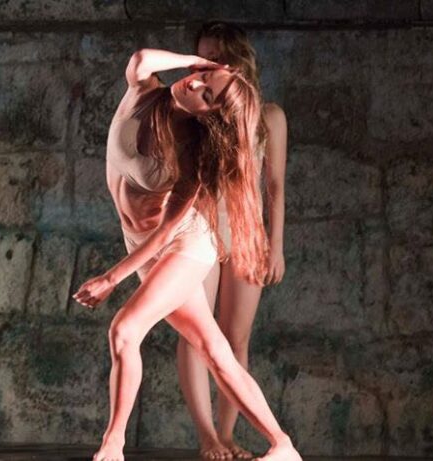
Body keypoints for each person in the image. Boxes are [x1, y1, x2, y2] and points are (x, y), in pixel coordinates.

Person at [73, 48, 300, 461]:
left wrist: (111, 278)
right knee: (212, 348)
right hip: (138, 242)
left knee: (125, 330)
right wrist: (197, 60)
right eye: (202, 77)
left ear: (208, 116)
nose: (193, 84)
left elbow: (165, 233)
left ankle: (112, 446)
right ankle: (283, 446)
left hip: (182, 245)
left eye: (206, 94)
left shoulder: (192, 158)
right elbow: (141, 58)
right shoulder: (145, 92)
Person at [177, 22, 289, 460]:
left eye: (215, 60)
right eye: (199, 60)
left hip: (246, 233)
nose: (204, 69)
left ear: (237, 62)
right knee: (195, 335)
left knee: (235, 339)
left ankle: (226, 435)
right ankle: (207, 436)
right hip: (199, 231)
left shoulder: (269, 116)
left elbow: (274, 187)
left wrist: (276, 245)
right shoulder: (194, 113)